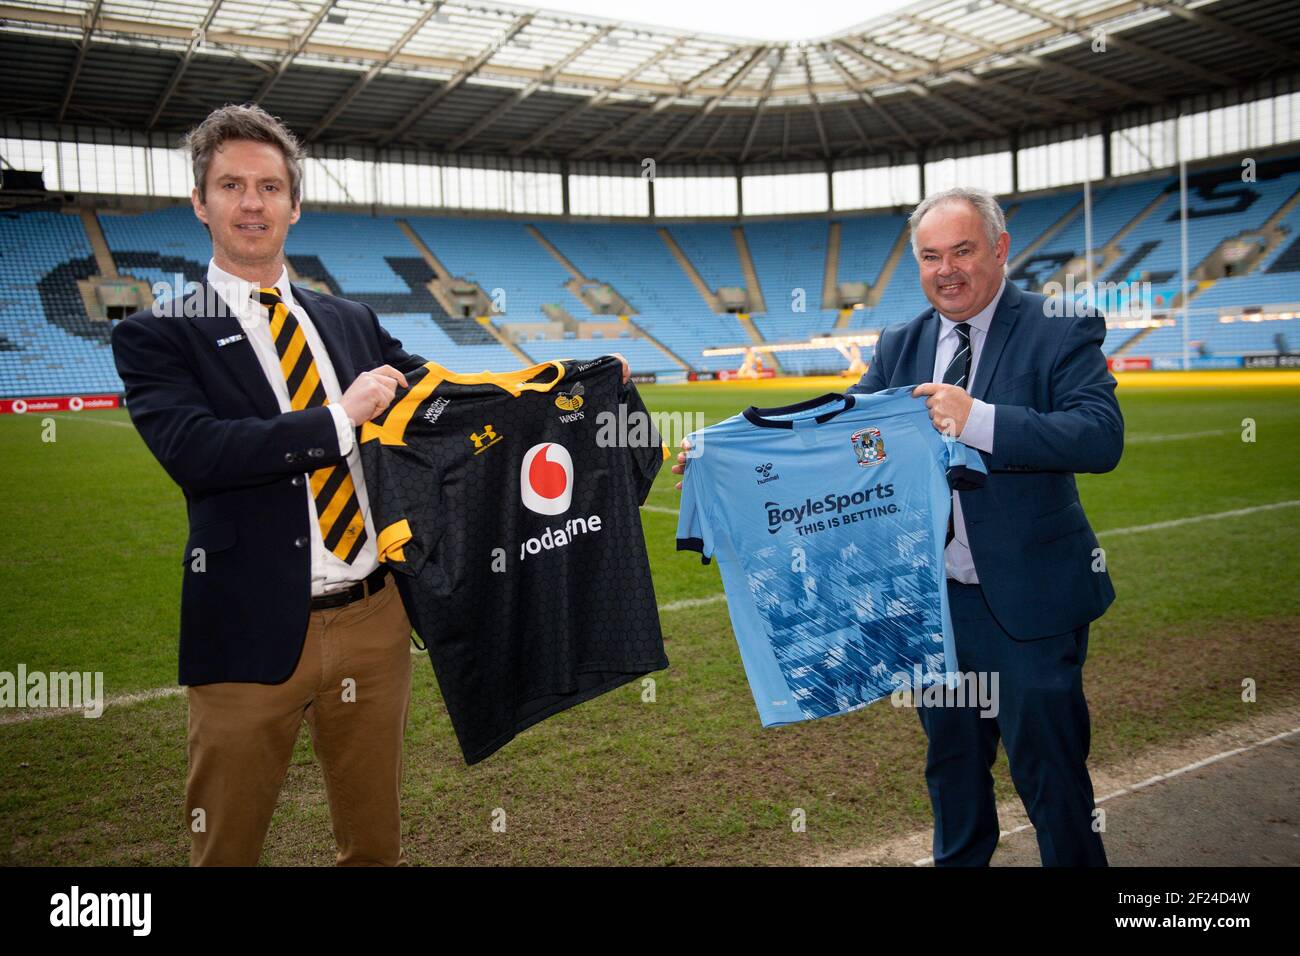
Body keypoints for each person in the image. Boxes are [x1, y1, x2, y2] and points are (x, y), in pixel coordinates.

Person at [111, 103, 630, 865]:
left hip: (373, 619)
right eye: (230, 186)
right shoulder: (159, 331)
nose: (251, 203)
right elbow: (197, 452)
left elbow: (444, 394)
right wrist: (339, 420)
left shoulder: (348, 319)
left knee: (374, 847)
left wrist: (563, 382)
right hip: (248, 625)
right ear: (200, 203)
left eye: (268, 186)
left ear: (295, 204)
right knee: (226, 848)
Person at [674, 186, 1122, 866]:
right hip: (929, 605)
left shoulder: (1061, 326)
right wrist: (726, 459)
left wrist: (977, 418)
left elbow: (1098, 438)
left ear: (1000, 250)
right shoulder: (902, 341)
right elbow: (839, 437)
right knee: (953, 775)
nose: (947, 269)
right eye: (930, 256)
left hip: (1030, 609)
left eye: (963, 251)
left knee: (1052, 777)